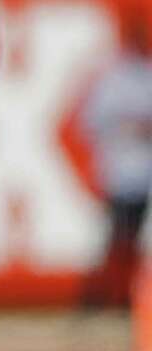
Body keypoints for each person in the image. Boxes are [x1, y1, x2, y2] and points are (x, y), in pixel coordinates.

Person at [82, 11, 152, 308]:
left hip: (144, 174)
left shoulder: (147, 75)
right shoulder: (114, 77)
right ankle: (101, 299)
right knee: (117, 239)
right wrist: (130, 126)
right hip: (120, 172)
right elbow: (93, 121)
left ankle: (127, 298)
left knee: (134, 241)